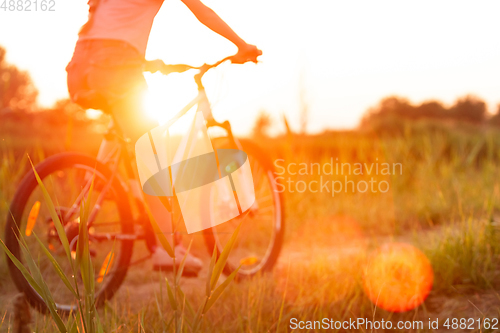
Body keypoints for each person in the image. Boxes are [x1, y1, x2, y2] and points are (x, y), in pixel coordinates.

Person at [66, 0, 262, 276]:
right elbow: (201, 11)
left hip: (79, 66)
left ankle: (87, 200)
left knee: (125, 130)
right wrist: (242, 45)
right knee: (152, 152)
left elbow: (112, 25)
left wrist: (147, 63)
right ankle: (167, 249)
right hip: (114, 62)